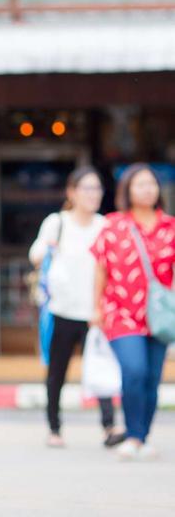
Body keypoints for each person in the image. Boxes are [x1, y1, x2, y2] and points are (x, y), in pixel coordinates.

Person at [29, 167, 123, 448]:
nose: (94, 194)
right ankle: (54, 427)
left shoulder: (104, 226)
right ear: (72, 192)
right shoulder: (57, 222)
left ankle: (109, 426)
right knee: (57, 372)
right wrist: (47, 248)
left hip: (95, 311)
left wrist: (103, 307)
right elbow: (36, 255)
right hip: (62, 310)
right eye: (87, 188)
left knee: (100, 369)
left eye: (97, 189)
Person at [91, 164, 175, 461]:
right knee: (134, 369)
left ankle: (142, 436)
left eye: (151, 184)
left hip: (158, 315)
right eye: (140, 184)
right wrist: (95, 307)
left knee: (152, 377)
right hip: (120, 311)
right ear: (127, 190)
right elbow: (100, 268)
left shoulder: (170, 226)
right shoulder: (113, 225)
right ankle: (132, 434)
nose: (147, 189)